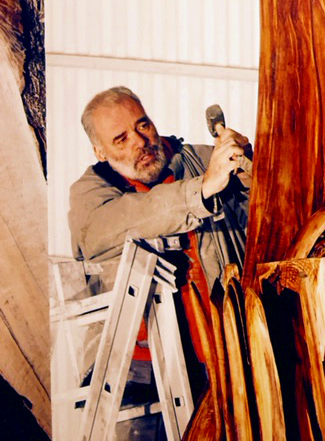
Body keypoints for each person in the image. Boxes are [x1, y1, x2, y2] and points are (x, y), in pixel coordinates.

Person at [68, 86, 252, 439]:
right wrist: (202, 189)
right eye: (121, 139)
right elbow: (125, 220)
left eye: (143, 125)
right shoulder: (90, 195)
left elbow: (270, 212)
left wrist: (249, 166)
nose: (140, 142)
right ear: (100, 152)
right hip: (138, 374)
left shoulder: (203, 160)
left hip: (224, 358)